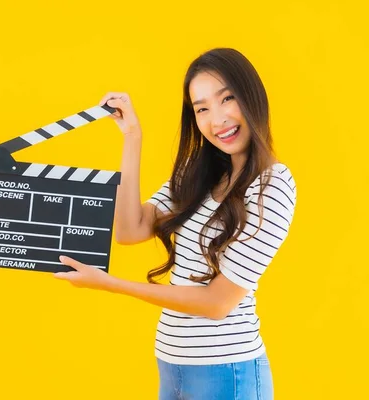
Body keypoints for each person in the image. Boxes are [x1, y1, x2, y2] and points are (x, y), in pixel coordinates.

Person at [54, 47, 297, 400]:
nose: (218, 120)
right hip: (172, 363)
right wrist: (131, 137)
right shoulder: (198, 173)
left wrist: (111, 284)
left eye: (227, 98)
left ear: (252, 95)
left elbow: (217, 303)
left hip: (226, 372)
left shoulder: (271, 184)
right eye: (202, 109)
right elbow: (129, 229)